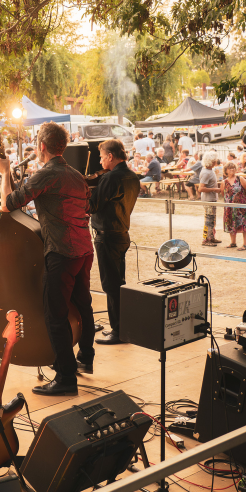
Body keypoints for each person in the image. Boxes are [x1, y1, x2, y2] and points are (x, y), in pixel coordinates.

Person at [0, 120, 95, 395]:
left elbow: (9, 203)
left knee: (55, 315)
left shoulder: (47, 173)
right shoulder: (75, 174)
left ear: (41, 146)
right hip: (84, 249)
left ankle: (66, 378)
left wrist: (4, 173)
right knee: (82, 303)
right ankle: (85, 356)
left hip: (62, 251)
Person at [88, 140, 140, 346]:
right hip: (121, 232)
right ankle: (123, 327)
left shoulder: (110, 177)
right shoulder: (132, 176)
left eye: (101, 157)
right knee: (118, 283)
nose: (100, 161)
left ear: (111, 156)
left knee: (111, 284)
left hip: (107, 234)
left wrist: (87, 191)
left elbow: (92, 206)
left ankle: (118, 331)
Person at [221, 162, 246, 251]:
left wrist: (243, 198)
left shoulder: (240, 178)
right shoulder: (224, 181)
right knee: (231, 223)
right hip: (229, 207)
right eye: (230, 168)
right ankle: (233, 242)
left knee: (244, 223)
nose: (232, 170)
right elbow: (223, 193)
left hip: (241, 206)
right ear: (226, 170)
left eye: (233, 168)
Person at [199, 151, 221, 247]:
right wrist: (215, 189)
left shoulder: (210, 170)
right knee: (209, 220)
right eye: (215, 160)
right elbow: (201, 188)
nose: (216, 161)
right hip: (208, 200)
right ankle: (206, 239)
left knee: (212, 220)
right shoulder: (206, 173)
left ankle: (211, 237)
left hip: (212, 199)